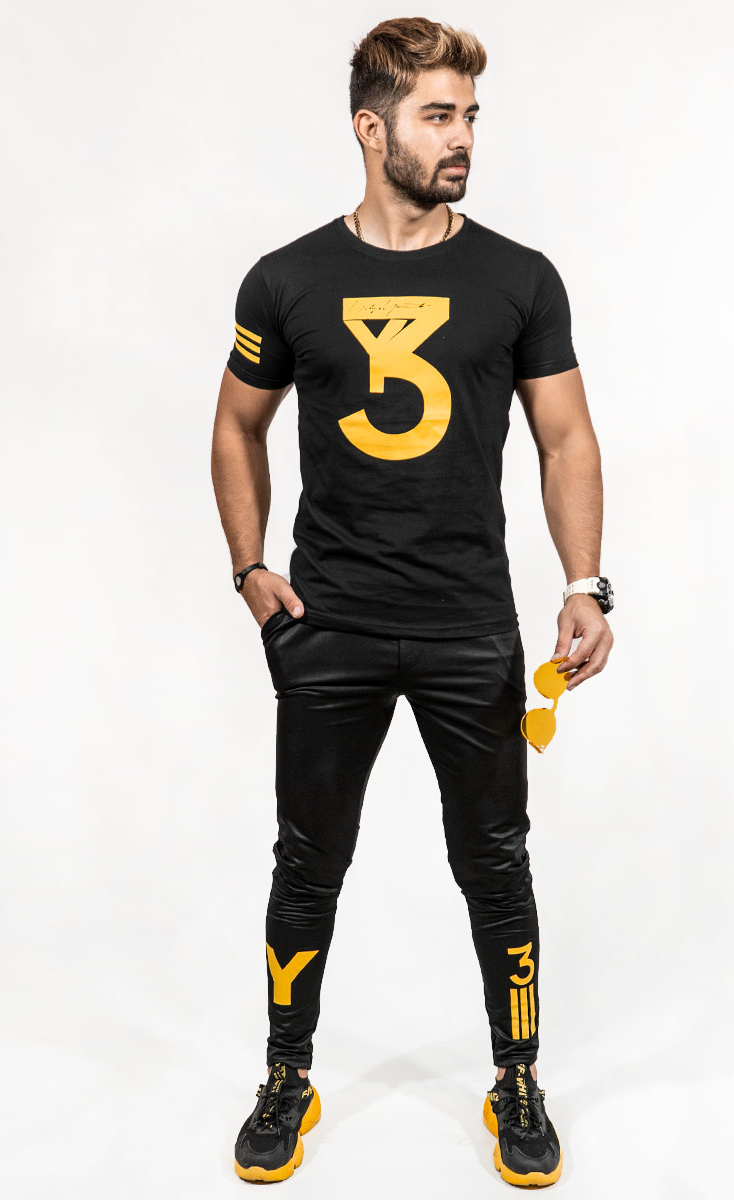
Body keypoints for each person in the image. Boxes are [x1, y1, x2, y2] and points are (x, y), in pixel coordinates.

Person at [212, 16, 614, 1188]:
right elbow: (237, 424)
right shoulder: (286, 279)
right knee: (307, 864)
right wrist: (249, 571)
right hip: (328, 623)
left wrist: (583, 584)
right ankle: (287, 1075)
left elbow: (567, 437)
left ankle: (517, 1079)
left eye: (470, 115)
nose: (463, 138)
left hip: (468, 625)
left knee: (496, 864)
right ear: (369, 128)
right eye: (439, 116)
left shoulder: (519, 278)